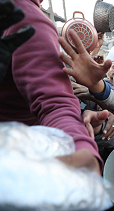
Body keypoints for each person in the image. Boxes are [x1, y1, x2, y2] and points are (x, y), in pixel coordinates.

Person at [0, 0, 103, 173]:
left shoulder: (23, 18)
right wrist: (77, 147)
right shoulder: (26, 17)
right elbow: (55, 103)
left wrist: (76, 146)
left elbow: (55, 103)